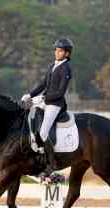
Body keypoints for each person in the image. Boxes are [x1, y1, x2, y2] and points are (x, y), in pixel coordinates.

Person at [21, 37, 73, 178]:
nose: (57, 52)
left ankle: (52, 164)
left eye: (60, 50)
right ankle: (34, 153)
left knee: (43, 132)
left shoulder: (66, 68)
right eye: (56, 50)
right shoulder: (52, 66)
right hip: (45, 101)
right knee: (27, 113)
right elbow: (43, 84)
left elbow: (61, 92)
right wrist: (29, 95)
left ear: (67, 53)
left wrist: (44, 98)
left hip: (55, 104)